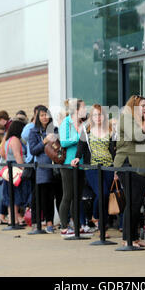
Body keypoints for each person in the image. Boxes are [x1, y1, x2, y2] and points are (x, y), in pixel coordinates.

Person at [114, 95, 145, 248]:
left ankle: (135, 238)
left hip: (142, 166)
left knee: (137, 204)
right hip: (129, 164)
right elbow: (137, 136)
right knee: (133, 202)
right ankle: (127, 239)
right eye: (142, 105)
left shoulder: (140, 121)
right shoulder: (126, 118)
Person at [71, 104, 116, 237]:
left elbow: (115, 150)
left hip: (108, 166)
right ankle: (98, 221)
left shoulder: (111, 130)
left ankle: (100, 222)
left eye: (100, 114)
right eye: (95, 115)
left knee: (106, 195)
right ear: (92, 116)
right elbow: (81, 147)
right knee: (102, 193)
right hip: (92, 167)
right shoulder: (86, 130)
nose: (98, 117)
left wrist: (117, 169)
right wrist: (77, 158)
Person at [58, 99, 87, 237]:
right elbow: (63, 141)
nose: (85, 110)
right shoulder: (66, 122)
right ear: (76, 110)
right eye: (83, 108)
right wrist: (80, 137)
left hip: (80, 164)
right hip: (68, 164)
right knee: (68, 195)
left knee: (78, 197)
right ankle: (64, 227)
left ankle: (77, 226)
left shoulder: (82, 123)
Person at [28, 106, 59, 234]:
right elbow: (33, 150)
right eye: (41, 115)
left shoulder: (55, 129)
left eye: (46, 114)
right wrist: (45, 141)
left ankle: (57, 222)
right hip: (42, 168)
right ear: (37, 117)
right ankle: (46, 223)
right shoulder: (33, 132)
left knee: (55, 195)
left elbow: (60, 146)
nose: (44, 117)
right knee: (43, 196)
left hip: (56, 166)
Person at [2, 120, 28, 226]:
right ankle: (14, 219)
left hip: (9, 168)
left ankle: (12, 218)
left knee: (10, 194)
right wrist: (22, 169)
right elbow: (18, 156)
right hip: (15, 168)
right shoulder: (16, 140)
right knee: (16, 194)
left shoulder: (8, 140)